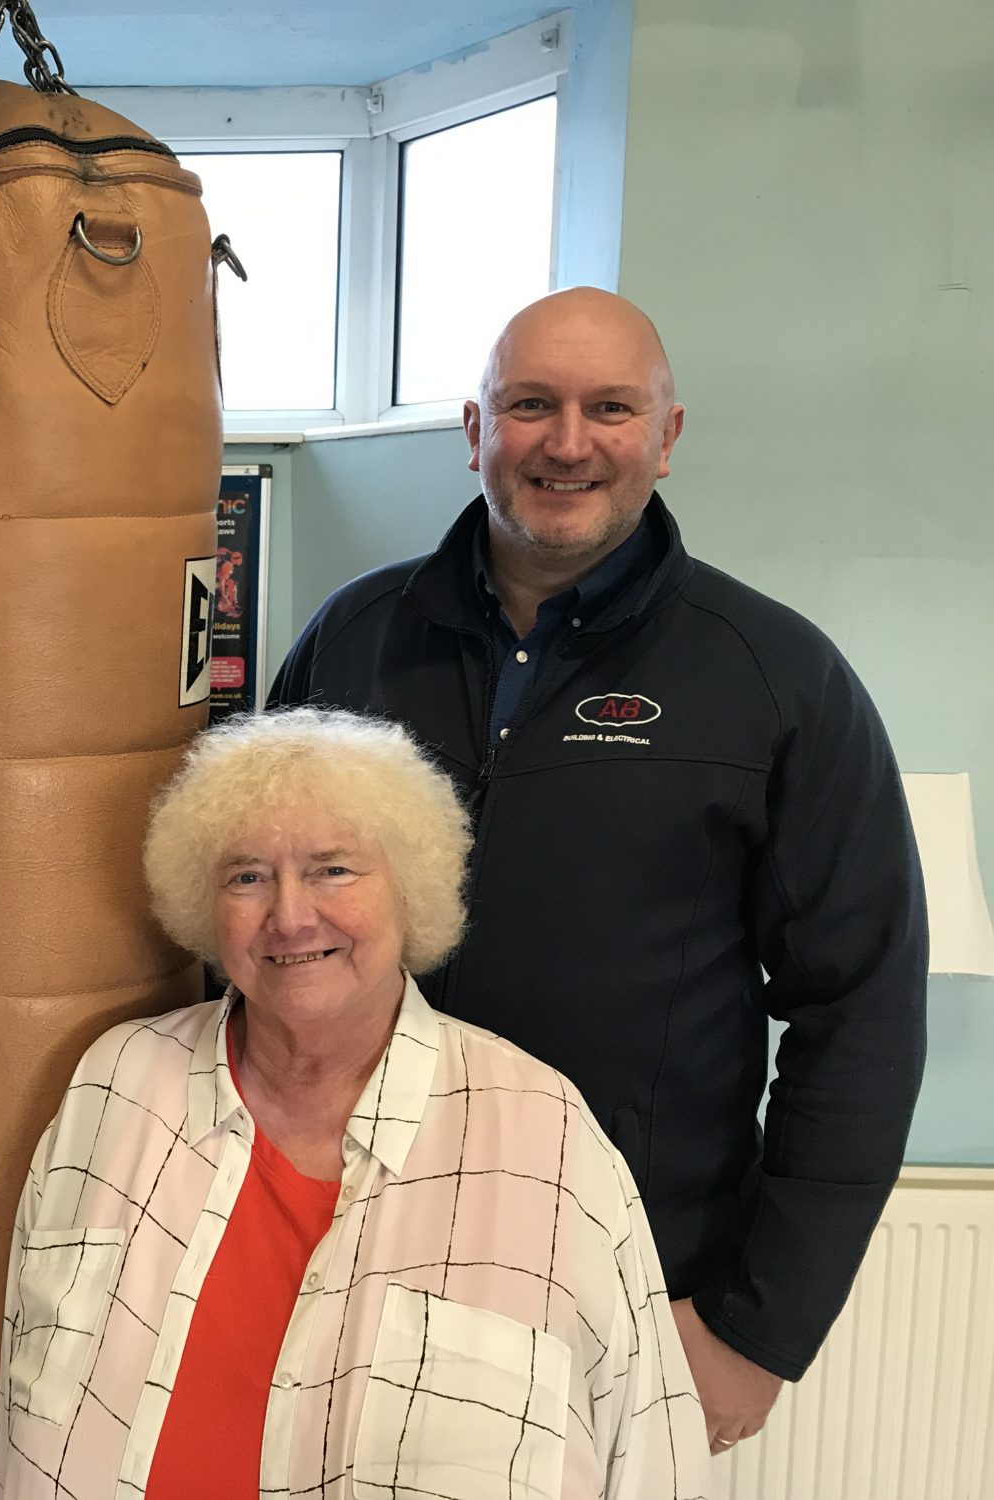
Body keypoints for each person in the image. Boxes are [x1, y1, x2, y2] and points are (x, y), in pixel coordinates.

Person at [267, 287, 927, 1454]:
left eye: (608, 409)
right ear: (474, 430)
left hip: (616, 1284)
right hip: (336, 1247)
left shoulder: (774, 678)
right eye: (529, 405)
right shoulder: (352, 639)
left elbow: (861, 1009)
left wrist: (758, 1329)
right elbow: (248, 927)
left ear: (664, 438)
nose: (566, 443)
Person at [0, 708, 708, 1499]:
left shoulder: (546, 1136)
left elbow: (654, 1457)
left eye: (333, 869)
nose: (290, 916)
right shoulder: (116, 1084)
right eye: (247, 876)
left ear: (410, 888)